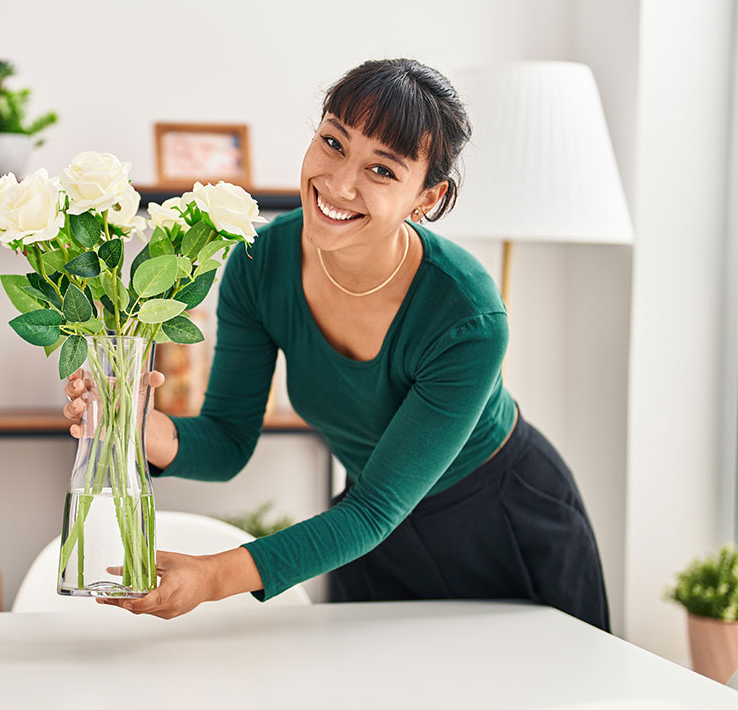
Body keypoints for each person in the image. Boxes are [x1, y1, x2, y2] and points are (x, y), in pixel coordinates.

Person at [63, 58, 610, 631]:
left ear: (426, 198)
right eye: (332, 141)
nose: (339, 182)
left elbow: (375, 508)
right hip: (370, 535)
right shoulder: (260, 261)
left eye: (382, 170)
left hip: (501, 526)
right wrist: (139, 425)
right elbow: (228, 439)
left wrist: (213, 576)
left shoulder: (467, 316)